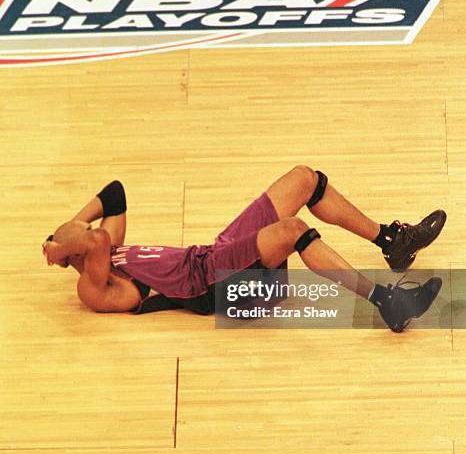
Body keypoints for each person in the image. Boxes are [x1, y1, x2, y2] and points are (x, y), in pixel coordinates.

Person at [42, 166, 446, 332]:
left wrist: (58, 241)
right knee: (292, 230)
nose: (91, 227)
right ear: (75, 256)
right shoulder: (96, 286)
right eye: (79, 234)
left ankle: (391, 242)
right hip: (217, 286)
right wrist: (60, 247)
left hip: (214, 254)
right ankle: (386, 302)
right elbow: (92, 237)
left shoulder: (109, 250)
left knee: (305, 179)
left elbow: (113, 194)